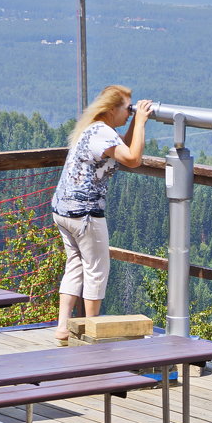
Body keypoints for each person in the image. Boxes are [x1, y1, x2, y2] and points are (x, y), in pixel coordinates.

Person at [50, 85, 152, 344]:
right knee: (96, 270)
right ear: (111, 109)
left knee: (74, 265)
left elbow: (122, 147)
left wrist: (134, 122)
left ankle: (64, 327)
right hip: (85, 213)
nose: (129, 113)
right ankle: (89, 332)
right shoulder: (101, 133)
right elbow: (132, 158)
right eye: (126, 109)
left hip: (64, 210)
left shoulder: (94, 128)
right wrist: (141, 121)